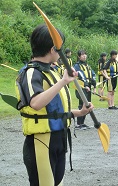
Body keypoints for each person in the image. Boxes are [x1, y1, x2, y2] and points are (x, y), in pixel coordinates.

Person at [15, 24, 94, 185]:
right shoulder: (31, 73)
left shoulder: (51, 71)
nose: (61, 52)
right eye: (60, 47)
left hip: (59, 138)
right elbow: (36, 103)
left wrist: (79, 113)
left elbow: (53, 111)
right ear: (53, 49)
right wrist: (64, 81)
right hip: (41, 141)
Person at [74, 50, 96, 130]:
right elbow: (81, 75)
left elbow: (93, 74)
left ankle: (82, 123)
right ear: (79, 56)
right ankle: (78, 124)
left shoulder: (87, 66)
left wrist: (94, 84)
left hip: (88, 86)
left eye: (85, 54)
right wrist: (86, 85)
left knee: (87, 104)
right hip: (81, 87)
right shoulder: (77, 66)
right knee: (82, 104)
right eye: (82, 55)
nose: (84, 56)